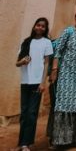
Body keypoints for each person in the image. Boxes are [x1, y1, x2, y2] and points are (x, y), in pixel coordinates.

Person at [49, 9, 76, 148]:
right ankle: (60, 140)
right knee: (63, 105)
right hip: (66, 75)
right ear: (75, 17)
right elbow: (58, 51)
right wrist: (54, 69)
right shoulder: (68, 31)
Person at [16, 17, 53, 151]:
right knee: (24, 113)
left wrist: (43, 83)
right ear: (34, 26)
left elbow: (47, 63)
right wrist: (22, 62)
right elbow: (17, 62)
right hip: (25, 82)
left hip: (37, 83)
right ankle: (21, 144)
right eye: (38, 25)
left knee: (32, 113)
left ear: (45, 29)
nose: (40, 28)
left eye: (43, 26)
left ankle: (27, 143)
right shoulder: (26, 42)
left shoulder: (47, 43)